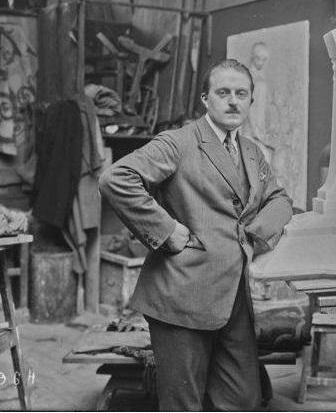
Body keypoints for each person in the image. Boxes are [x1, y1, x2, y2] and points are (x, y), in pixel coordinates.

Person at [98, 58, 293, 411]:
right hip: (181, 294)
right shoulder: (179, 142)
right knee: (183, 404)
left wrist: (254, 234)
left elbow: (279, 198)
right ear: (205, 99)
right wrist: (166, 231)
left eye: (241, 94)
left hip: (232, 295)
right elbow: (116, 178)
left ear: (250, 100)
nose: (232, 101)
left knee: (242, 399)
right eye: (223, 92)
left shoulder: (251, 152)